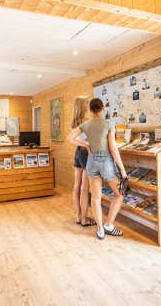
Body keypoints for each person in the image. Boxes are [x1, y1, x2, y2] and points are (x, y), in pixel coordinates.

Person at [66, 98, 127, 240]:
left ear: (90, 109)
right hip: (105, 162)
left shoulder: (86, 124)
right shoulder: (109, 123)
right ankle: (109, 225)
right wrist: (122, 170)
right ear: (103, 108)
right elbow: (113, 149)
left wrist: (87, 146)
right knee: (119, 194)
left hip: (91, 162)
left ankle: (100, 231)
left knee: (95, 197)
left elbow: (69, 139)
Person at [70, 96, 95, 227]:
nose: (88, 105)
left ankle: (79, 216)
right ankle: (85, 219)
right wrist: (86, 145)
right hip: (85, 153)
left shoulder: (74, 122)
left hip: (77, 152)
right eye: (87, 103)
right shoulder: (86, 121)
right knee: (85, 189)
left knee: (77, 186)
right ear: (83, 106)